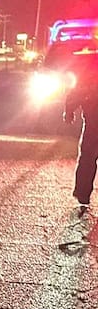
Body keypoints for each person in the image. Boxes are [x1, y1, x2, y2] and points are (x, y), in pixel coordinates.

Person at [66, 51, 98, 210]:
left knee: (87, 158)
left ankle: (83, 193)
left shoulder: (89, 65)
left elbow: (78, 90)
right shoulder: (90, 65)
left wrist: (69, 110)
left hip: (93, 122)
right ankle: (83, 192)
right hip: (93, 121)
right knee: (87, 158)